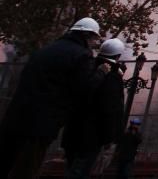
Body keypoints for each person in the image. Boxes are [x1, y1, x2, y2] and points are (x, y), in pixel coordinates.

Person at [0, 17, 103, 179]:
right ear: (87, 36)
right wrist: (99, 72)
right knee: (27, 168)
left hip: (16, 117)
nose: (94, 43)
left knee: (7, 161)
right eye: (94, 38)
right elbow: (84, 88)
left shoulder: (45, 50)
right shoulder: (82, 56)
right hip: (41, 123)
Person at [62, 38, 127, 178]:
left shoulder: (85, 67)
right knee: (80, 171)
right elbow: (109, 109)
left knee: (71, 169)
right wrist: (110, 137)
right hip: (92, 136)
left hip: (72, 131)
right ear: (118, 56)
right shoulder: (112, 75)